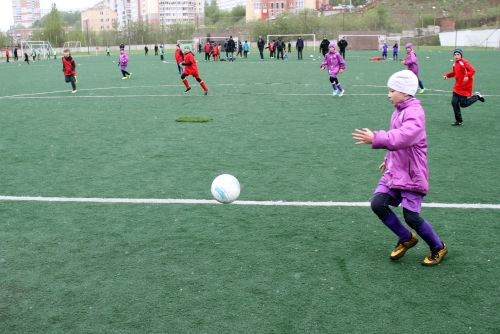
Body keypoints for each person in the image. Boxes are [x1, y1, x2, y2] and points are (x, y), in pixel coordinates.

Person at [351, 69, 448, 267]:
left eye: (392, 90)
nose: (388, 95)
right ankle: (406, 238)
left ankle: (438, 247)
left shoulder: (415, 112)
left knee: (411, 216)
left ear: (405, 92)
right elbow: (397, 140)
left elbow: (404, 136)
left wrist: (376, 138)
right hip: (396, 169)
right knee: (378, 204)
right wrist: (388, 158)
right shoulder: (399, 111)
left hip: (412, 174)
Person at [443, 48, 485, 126]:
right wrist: (447, 75)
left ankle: (477, 96)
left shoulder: (464, 62)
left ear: (461, 55)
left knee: (463, 104)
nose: (456, 56)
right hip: (457, 87)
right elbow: (454, 73)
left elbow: (472, 71)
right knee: (454, 102)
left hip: (465, 86)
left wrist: (466, 75)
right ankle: (459, 121)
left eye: (458, 54)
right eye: (455, 55)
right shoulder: (455, 64)